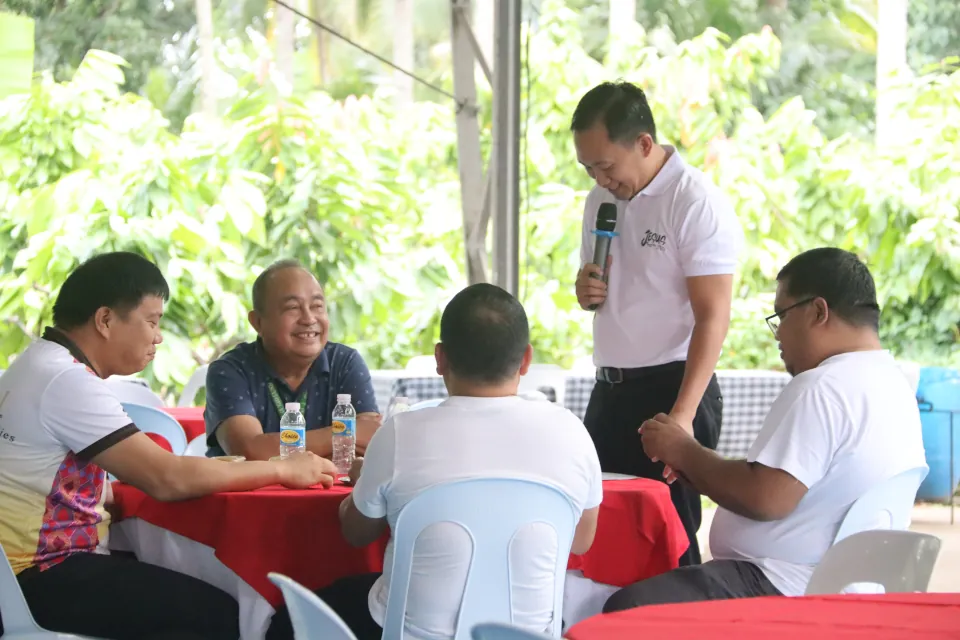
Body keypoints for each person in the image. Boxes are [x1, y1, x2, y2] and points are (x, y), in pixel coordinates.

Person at [0, 252, 334, 640]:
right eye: (151, 321)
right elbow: (167, 478)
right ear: (105, 320)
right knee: (220, 617)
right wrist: (283, 468)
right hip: (40, 574)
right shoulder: (67, 381)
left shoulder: (37, 363)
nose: (158, 336)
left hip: (25, 569)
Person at [266, 283, 604, 640]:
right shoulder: (572, 433)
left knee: (285, 621)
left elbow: (356, 533)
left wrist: (360, 483)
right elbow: (580, 540)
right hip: (526, 634)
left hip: (406, 633)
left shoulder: (402, 433)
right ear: (526, 360)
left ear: (439, 359)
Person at [603, 248, 927, 611]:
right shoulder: (891, 382)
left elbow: (766, 497)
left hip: (780, 584)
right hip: (849, 585)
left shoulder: (823, 386)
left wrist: (683, 449)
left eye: (782, 316)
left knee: (627, 610)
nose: (777, 336)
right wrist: (697, 468)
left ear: (818, 311)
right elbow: (794, 483)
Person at [572, 81, 743, 565]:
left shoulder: (693, 202)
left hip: (673, 391)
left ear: (644, 144)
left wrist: (683, 419)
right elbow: (604, 286)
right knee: (599, 533)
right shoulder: (598, 202)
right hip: (610, 388)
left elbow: (714, 316)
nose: (599, 178)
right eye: (588, 168)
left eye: (606, 165)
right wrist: (586, 290)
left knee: (670, 545)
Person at [205, 259, 381, 459]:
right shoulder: (230, 371)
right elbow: (249, 450)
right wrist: (345, 433)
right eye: (292, 308)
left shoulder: (344, 363)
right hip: (253, 491)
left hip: (331, 490)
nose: (308, 319)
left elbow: (370, 439)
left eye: (317, 306)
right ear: (258, 322)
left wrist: (275, 446)